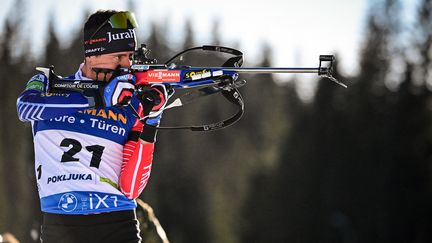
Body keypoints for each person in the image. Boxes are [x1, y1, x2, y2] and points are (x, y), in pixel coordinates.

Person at [16, 10, 171, 243]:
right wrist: (101, 99)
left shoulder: (130, 102)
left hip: (118, 224)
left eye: (129, 56)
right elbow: (26, 108)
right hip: (61, 226)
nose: (126, 65)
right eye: (118, 57)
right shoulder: (50, 85)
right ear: (92, 55)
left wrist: (152, 119)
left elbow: (131, 189)